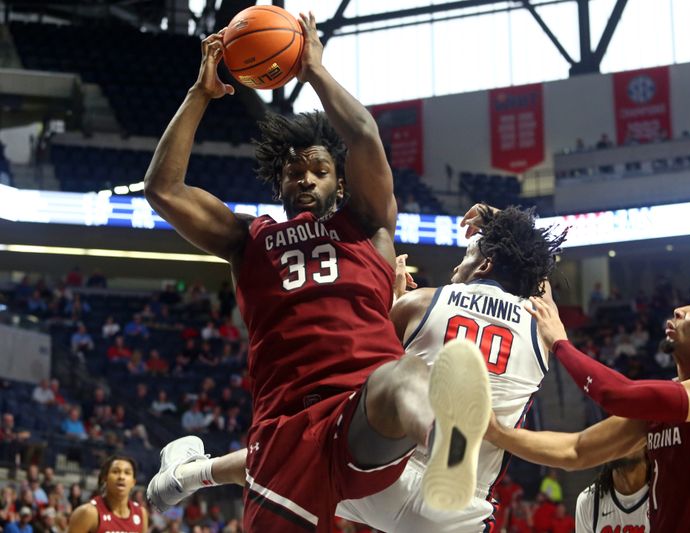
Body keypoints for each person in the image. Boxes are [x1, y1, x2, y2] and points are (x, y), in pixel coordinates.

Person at [143, 13, 490, 532]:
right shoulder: (248, 240)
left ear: (341, 183)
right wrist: (200, 93)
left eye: (320, 169)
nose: (305, 177)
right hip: (282, 431)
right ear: (278, 182)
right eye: (293, 170)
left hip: (361, 412)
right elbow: (163, 190)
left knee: (408, 374)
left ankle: (447, 448)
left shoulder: (368, 226)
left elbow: (365, 136)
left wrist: (315, 73)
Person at [147, 205, 566, 533]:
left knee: (296, 446)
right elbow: (537, 271)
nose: (460, 261)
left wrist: (392, 292)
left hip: (383, 475)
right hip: (458, 508)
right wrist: (502, 229)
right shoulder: (544, 329)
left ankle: (189, 476)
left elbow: (368, 358)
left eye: (469, 253)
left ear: (486, 264)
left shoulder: (423, 303)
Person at [487, 269, 690, 532]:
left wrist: (560, 342)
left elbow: (617, 395)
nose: (679, 310)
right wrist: (496, 432)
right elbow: (576, 450)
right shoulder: (672, 403)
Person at [574, 449, 648, 533]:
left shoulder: (663, 497)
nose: (618, 445)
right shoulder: (589, 501)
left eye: (625, 437)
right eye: (614, 439)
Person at [67, 455, 146, 533]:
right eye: (115, 471)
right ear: (105, 478)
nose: (121, 477)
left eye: (127, 473)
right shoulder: (88, 512)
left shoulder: (141, 513)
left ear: (133, 482)